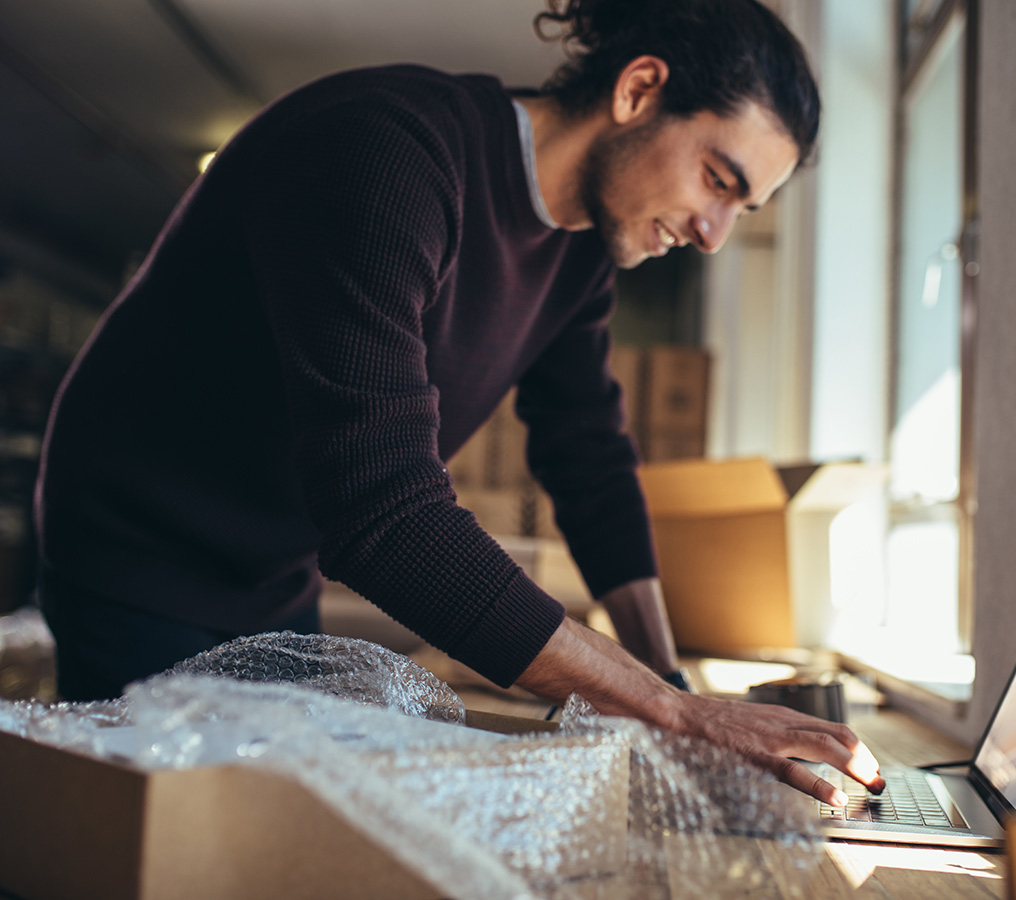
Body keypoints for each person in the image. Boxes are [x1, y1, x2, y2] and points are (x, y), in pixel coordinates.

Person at [36, 0, 884, 805]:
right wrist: (678, 716)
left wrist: (665, 681)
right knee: (162, 852)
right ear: (638, 91)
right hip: (138, 546)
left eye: (744, 208)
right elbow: (388, 518)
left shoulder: (582, 251)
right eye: (718, 179)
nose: (714, 233)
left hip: (271, 566)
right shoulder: (388, 152)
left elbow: (588, 456)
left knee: (265, 825)